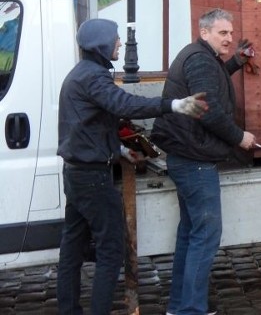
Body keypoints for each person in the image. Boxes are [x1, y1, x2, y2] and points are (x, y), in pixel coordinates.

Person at [56, 18, 208, 315]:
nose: (119, 44)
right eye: (114, 39)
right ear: (101, 44)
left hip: (76, 173)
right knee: (112, 253)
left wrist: (122, 148)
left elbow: (88, 126)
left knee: (71, 250)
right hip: (92, 178)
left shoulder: (81, 74)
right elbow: (125, 105)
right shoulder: (93, 78)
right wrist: (173, 105)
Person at [151, 8, 258, 315]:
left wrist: (237, 60)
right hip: (194, 159)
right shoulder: (199, 59)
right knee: (206, 235)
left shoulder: (201, 57)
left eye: (230, 32)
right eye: (223, 33)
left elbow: (212, 82)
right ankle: (191, 310)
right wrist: (239, 137)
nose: (229, 37)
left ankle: (180, 306)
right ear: (205, 32)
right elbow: (206, 109)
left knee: (191, 233)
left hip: (186, 156)